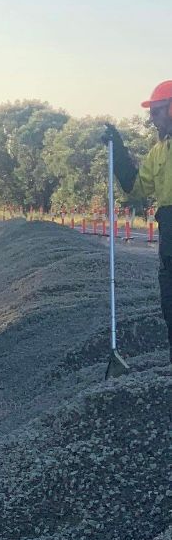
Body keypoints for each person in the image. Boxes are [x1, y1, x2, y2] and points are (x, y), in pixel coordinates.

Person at [104, 79, 172, 362]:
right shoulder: (159, 152)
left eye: (156, 112)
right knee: (169, 299)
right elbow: (135, 188)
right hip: (169, 233)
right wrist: (117, 150)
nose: (152, 119)